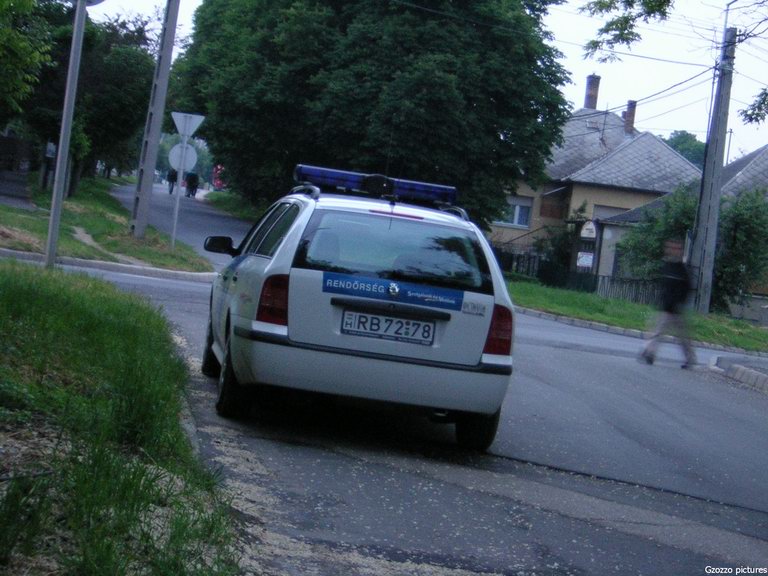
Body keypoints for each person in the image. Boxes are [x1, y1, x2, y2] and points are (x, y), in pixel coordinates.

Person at [640, 238, 697, 368]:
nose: (672, 250)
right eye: (670, 248)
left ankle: (690, 359)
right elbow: (663, 286)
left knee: (683, 337)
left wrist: (680, 302)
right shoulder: (666, 266)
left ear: (680, 250)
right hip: (665, 307)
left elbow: (687, 288)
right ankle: (650, 353)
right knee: (657, 332)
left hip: (676, 309)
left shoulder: (682, 269)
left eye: (676, 248)